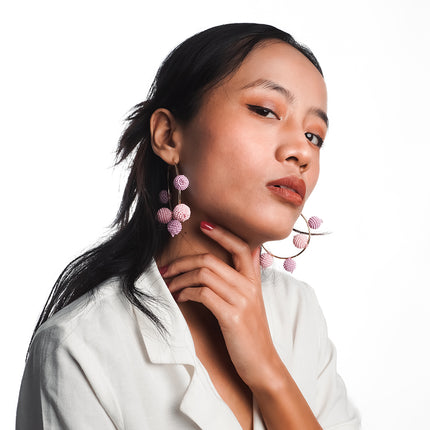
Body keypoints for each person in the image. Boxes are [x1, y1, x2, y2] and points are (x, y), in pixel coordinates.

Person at [16, 23, 360, 429]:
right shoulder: (81, 347)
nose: (301, 151)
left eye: (314, 135)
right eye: (265, 110)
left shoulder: (298, 312)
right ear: (168, 135)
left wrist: (270, 374)